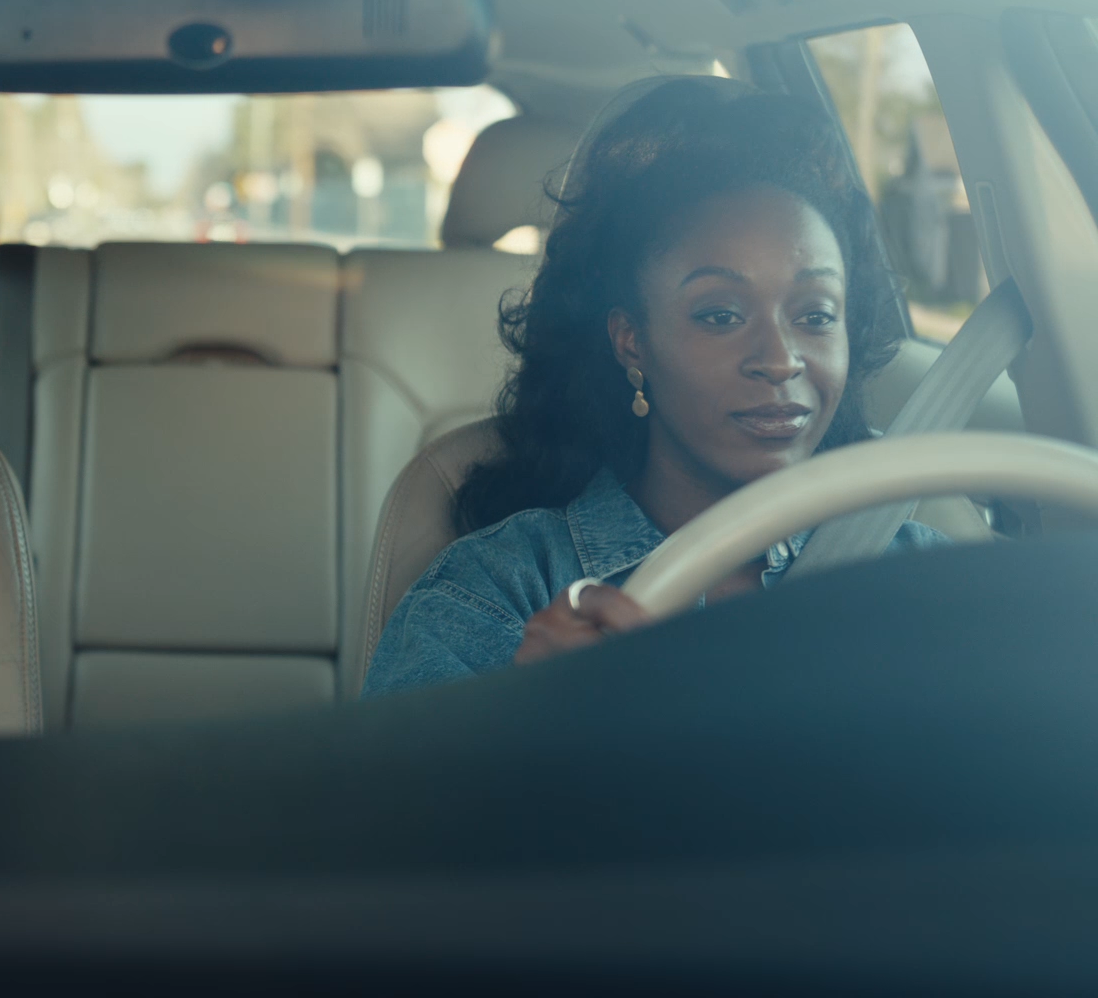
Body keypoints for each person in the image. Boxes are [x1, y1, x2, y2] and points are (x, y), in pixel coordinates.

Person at [363, 78, 944, 697]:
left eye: (816, 315)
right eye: (720, 315)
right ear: (630, 340)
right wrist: (526, 723)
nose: (780, 360)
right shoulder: (501, 589)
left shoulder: (922, 573)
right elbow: (390, 794)